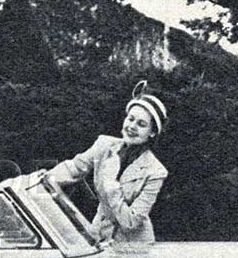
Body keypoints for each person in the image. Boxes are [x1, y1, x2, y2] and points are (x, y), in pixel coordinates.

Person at [45, 81, 169, 245]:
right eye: (130, 119)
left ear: (152, 132)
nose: (132, 127)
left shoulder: (156, 171)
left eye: (141, 124)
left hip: (134, 247)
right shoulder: (104, 144)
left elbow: (131, 222)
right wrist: (41, 179)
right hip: (97, 235)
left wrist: (111, 185)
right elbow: (74, 168)